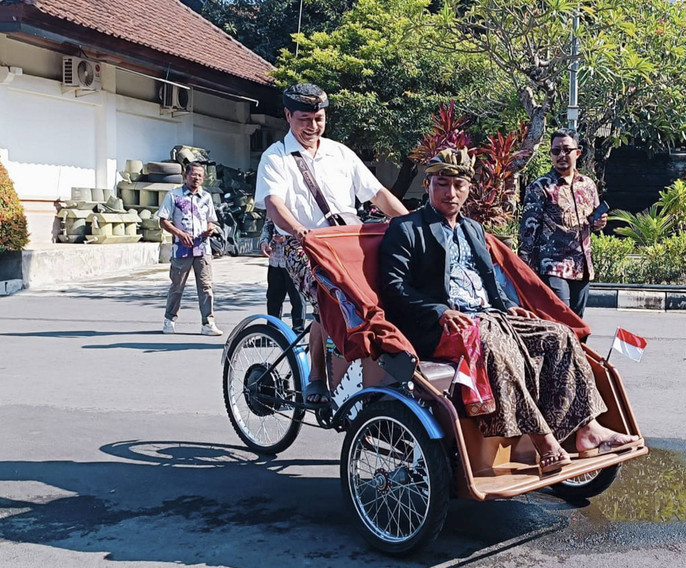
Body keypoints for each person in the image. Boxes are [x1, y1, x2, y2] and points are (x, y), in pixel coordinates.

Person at [380, 148, 638, 474]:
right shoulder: (407, 229)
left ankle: (587, 430)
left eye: (458, 185)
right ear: (428, 184)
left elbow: (490, 280)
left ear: (468, 188)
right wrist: (440, 311)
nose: (450, 193)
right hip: (444, 325)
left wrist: (511, 305)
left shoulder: (473, 229)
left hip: (492, 316)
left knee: (559, 336)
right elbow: (394, 287)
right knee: (497, 348)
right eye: (442, 184)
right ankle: (545, 443)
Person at [255, 82, 407, 406]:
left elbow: (377, 194)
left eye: (319, 118)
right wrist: (299, 231)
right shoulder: (275, 158)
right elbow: (273, 203)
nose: (313, 126)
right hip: (301, 245)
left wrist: (412, 222)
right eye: (304, 119)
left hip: (349, 241)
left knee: (392, 290)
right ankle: (318, 377)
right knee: (332, 296)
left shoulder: (340, 153)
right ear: (287, 116)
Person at [519, 129, 608, 318]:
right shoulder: (540, 187)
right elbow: (528, 231)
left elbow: (592, 222)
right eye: (556, 151)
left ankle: (577, 349)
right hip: (553, 266)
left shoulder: (588, 185)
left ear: (578, 152)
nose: (561, 155)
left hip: (582, 267)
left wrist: (598, 222)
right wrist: (522, 272)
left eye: (567, 150)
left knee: (578, 324)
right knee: (561, 320)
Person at [159, 162, 223, 336]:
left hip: (202, 248)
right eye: (193, 174)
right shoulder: (174, 195)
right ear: (186, 176)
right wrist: (179, 233)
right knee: (177, 286)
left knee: (206, 287)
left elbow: (211, 219)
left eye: (200, 175)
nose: (196, 178)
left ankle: (207, 323)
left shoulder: (206, 197)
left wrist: (210, 228)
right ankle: (169, 320)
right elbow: (163, 220)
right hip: (181, 249)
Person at [260, 218, 305, 329]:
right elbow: (268, 225)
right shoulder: (273, 203)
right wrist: (264, 241)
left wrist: (287, 239)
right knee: (273, 298)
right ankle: (272, 331)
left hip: (294, 260)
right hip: (275, 259)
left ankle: (298, 332)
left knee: (297, 298)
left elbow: (305, 229)